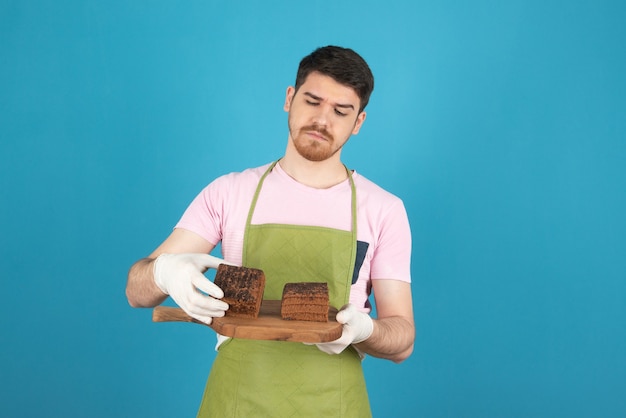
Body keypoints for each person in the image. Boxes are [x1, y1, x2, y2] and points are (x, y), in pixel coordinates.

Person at [126, 45, 415, 417]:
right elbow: (137, 291)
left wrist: (365, 331)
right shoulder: (230, 192)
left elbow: (402, 339)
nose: (322, 121)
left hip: (334, 405)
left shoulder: (383, 210)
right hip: (236, 401)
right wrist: (164, 272)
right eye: (312, 101)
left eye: (341, 111)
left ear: (358, 122)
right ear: (289, 98)